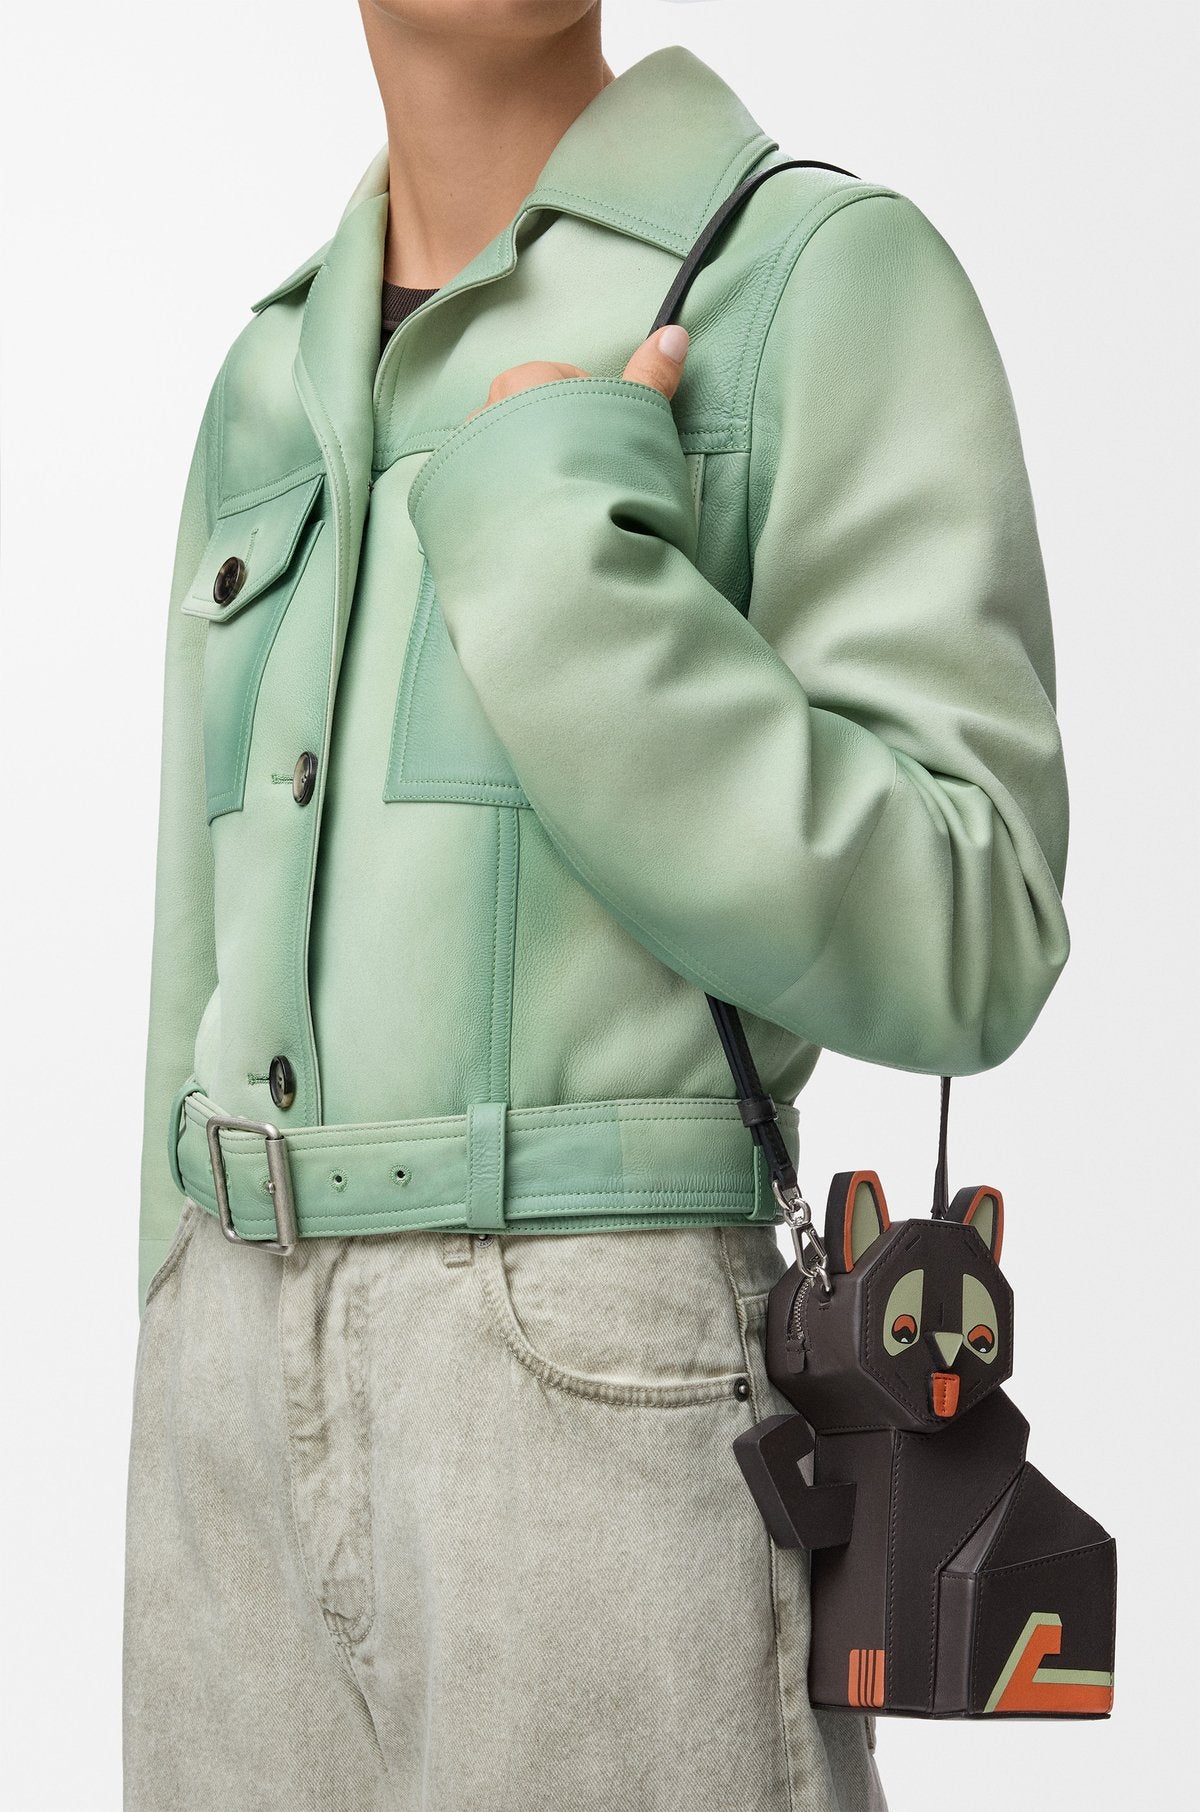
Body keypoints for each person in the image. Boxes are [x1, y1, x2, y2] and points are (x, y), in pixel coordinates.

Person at [122, 5, 1070, 1809]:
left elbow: (979, 922)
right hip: (220, 1408)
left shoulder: (815, 279)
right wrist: (177, 1317)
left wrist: (567, 578)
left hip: (588, 1373)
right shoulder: (268, 366)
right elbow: (199, 958)